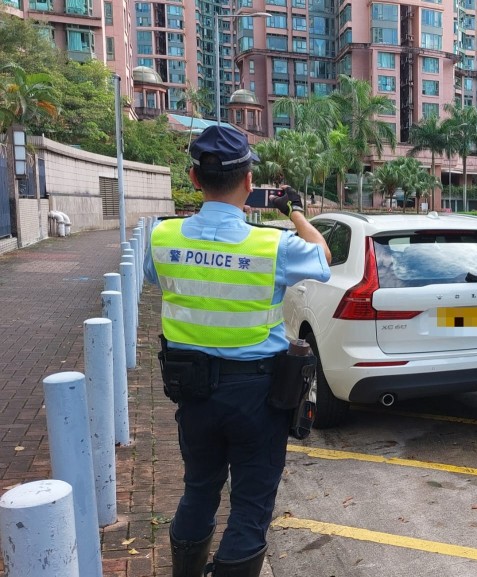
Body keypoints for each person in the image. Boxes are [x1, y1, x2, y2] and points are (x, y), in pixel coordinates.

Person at [144, 125, 332, 577]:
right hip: (256, 396)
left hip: (192, 392)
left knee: (198, 490)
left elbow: (156, 280)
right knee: (250, 503)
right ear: (249, 181)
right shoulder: (273, 245)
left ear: (193, 178)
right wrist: (297, 215)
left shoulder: (162, 238)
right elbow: (322, 259)